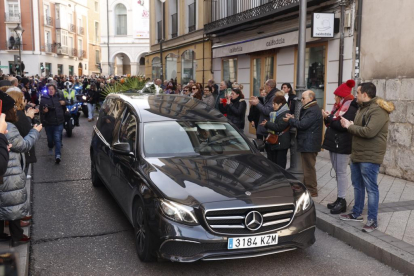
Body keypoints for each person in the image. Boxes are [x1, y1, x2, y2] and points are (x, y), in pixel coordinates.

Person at [340, 82, 394, 233]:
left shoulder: (378, 110)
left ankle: (372, 220)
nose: (355, 95)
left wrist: (349, 127)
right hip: (358, 153)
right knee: (357, 185)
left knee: (371, 189)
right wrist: (350, 124)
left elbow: (369, 132)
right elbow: (360, 129)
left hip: (370, 156)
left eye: (357, 93)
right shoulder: (362, 108)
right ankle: (356, 213)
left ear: (364, 94)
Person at [0, 92, 42, 246]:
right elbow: (23, 146)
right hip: (9, 170)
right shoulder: (8, 126)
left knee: (3, 201)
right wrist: (35, 132)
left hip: (4, 167)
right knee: (12, 202)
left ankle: (2, 234)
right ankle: (16, 236)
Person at [322, 80, 358, 214]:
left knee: (341, 172)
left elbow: (341, 126)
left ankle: (342, 201)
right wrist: (328, 118)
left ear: (341, 96)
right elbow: (332, 123)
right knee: (338, 172)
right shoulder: (338, 107)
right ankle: (339, 198)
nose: (334, 98)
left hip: (343, 144)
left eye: (336, 96)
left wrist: (330, 118)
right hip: (335, 142)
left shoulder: (351, 107)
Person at [284, 90, 323, 197]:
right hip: (307, 142)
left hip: (309, 144)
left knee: (309, 167)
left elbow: (302, 125)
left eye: (303, 98)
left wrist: (290, 120)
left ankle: (312, 190)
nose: (301, 100)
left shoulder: (312, 110)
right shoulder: (309, 108)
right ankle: (307, 187)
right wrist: (292, 119)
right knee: (306, 167)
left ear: (310, 98)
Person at [6, 89, 39, 172]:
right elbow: (25, 133)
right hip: (20, 157)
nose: (24, 100)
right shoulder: (17, 114)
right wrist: (35, 129)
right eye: (22, 98)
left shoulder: (14, 113)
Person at [260, 95, 291, 169]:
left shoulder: (285, 113)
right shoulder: (277, 112)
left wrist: (267, 123)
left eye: (274, 104)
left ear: (280, 104)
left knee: (280, 163)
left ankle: (281, 178)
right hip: (275, 141)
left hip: (281, 142)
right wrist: (267, 124)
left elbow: (279, 127)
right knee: (273, 162)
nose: (272, 105)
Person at [39, 84, 65, 164]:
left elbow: (65, 107)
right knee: (50, 139)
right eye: (49, 89)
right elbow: (41, 112)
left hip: (58, 122)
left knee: (57, 139)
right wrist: (44, 112)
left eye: (52, 89)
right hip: (48, 123)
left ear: (55, 90)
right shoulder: (43, 99)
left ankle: (57, 155)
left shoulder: (59, 98)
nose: (51, 91)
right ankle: (50, 146)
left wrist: (64, 103)